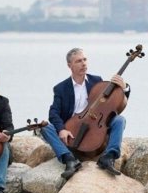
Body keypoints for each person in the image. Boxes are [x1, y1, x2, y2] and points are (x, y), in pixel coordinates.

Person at [41, 48, 129, 179]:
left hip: (95, 126)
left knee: (119, 119)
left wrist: (124, 88)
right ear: (69, 65)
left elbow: (115, 103)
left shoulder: (97, 81)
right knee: (44, 127)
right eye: (78, 61)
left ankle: (109, 157)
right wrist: (61, 129)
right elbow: (53, 113)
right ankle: (69, 159)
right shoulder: (61, 88)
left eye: (85, 60)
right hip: (72, 129)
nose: (83, 63)